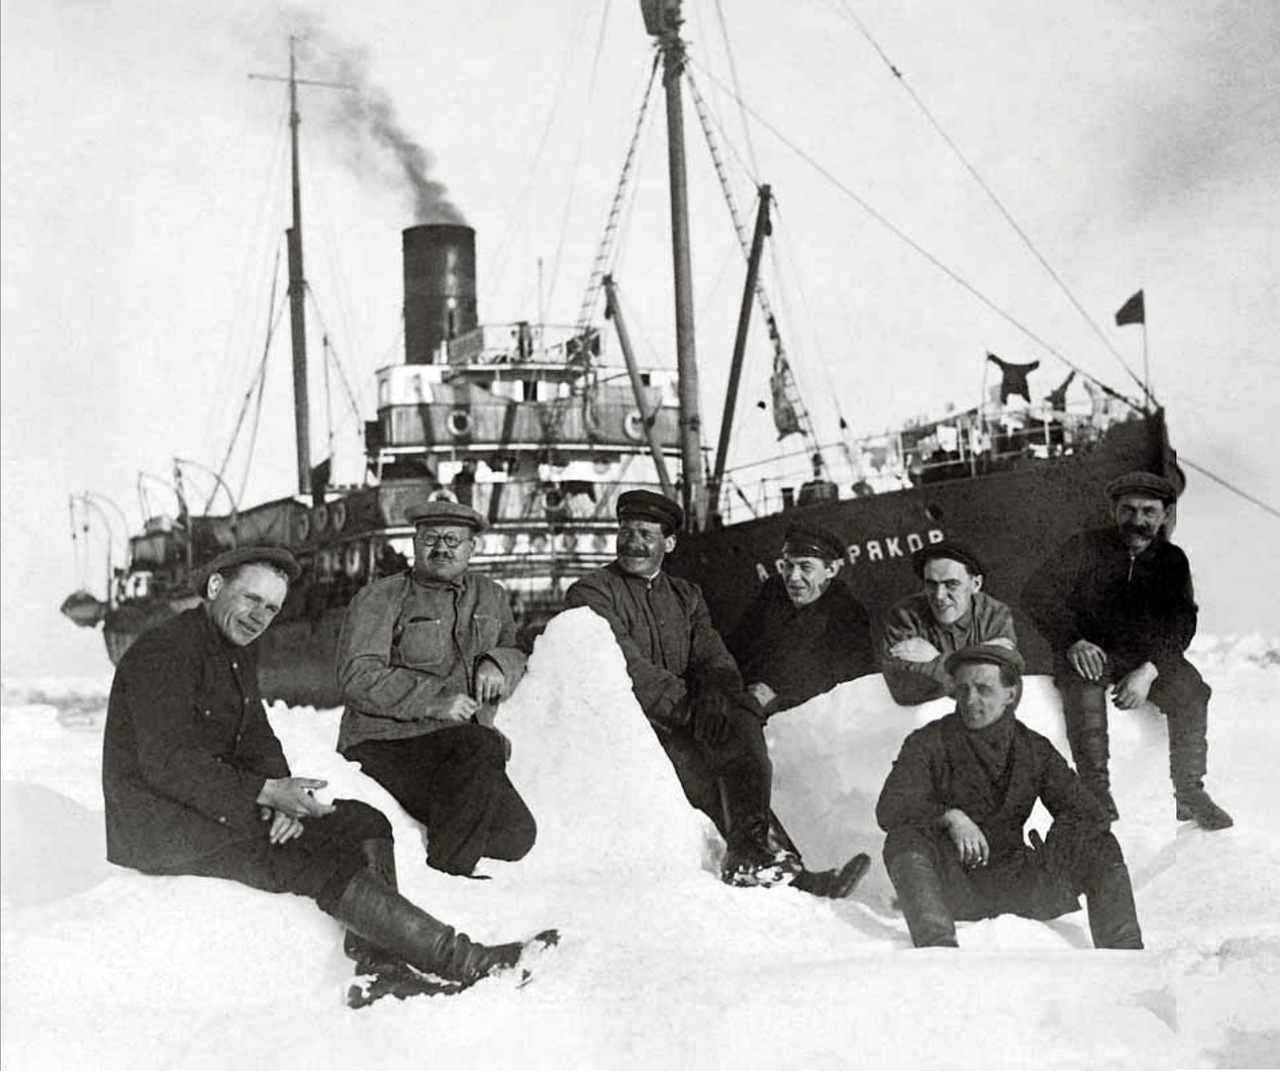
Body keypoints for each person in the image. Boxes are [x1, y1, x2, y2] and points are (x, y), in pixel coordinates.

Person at [103, 546, 554, 1009]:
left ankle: (381, 969)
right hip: (166, 826)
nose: (259, 617)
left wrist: (283, 795)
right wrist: (265, 793)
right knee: (311, 857)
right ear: (216, 587)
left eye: (271, 608)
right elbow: (168, 763)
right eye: (251, 599)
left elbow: (257, 739)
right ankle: (464, 960)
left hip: (218, 805)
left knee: (364, 822)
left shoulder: (235, 650)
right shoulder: (165, 651)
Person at [565, 490, 869, 898]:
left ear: (669, 543)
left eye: (646, 534)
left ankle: (765, 861)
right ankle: (779, 870)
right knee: (699, 769)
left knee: (740, 718)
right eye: (626, 532)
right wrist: (692, 703)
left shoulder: (686, 595)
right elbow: (627, 667)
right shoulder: (592, 593)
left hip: (680, 714)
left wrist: (717, 689)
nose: (633, 543)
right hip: (632, 721)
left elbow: (714, 654)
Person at [876, 645, 1143, 950]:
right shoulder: (927, 742)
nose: (970, 700)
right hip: (953, 887)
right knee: (904, 838)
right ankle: (937, 946)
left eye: (983, 689)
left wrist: (1055, 849)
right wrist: (950, 817)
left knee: (1099, 842)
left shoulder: (1034, 748)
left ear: (1010, 694)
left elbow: (1089, 814)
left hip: (1020, 885)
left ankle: (1124, 950)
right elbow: (891, 808)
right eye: (963, 689)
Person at [337, 501, 537, 877]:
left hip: (457, 751)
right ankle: (450, 869)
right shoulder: (380, 597)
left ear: (472, 548)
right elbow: (357, 676)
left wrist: (498, 662)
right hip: (386, 743)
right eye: (431, 539)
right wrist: (432, 701)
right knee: (481, 744)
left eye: (452, 540)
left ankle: (441, 830)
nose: (441, 548)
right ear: (415, 543)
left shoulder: (491, 596)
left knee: (516, 835)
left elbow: (515, 650)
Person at [1023, 471, 1232, 829]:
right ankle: (1095, 791)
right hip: (1089, 650)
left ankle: (1190, 792)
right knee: (1082, 682)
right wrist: (1073, 641)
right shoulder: (1083, 547)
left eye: (1149, 511)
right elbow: (1037, 594)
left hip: (1145, 658)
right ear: (1114, 511)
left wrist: (1150, 670)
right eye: (1129, 510)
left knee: (1192, 691)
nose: (1138, 520)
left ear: (1165, 514)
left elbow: (1182, 622)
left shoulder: (1172, 561)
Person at [726, 521, 876, 718]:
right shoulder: (773, 593)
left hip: (802, 723)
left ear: (831, 570)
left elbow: (851, 697)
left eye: (806, 567)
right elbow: (735, 649)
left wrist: (777, 703)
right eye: (788, 566)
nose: (793, 577)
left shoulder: (847, 616)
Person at [880, 540, 1018, 705]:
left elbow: (1003, 687)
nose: (939, 595)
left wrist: (937, 660)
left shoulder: (994, 615)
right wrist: (975, 661)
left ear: (975, 584)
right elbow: (903, 690)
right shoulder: (904, 616)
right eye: (931, 584)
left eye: (951, 584)